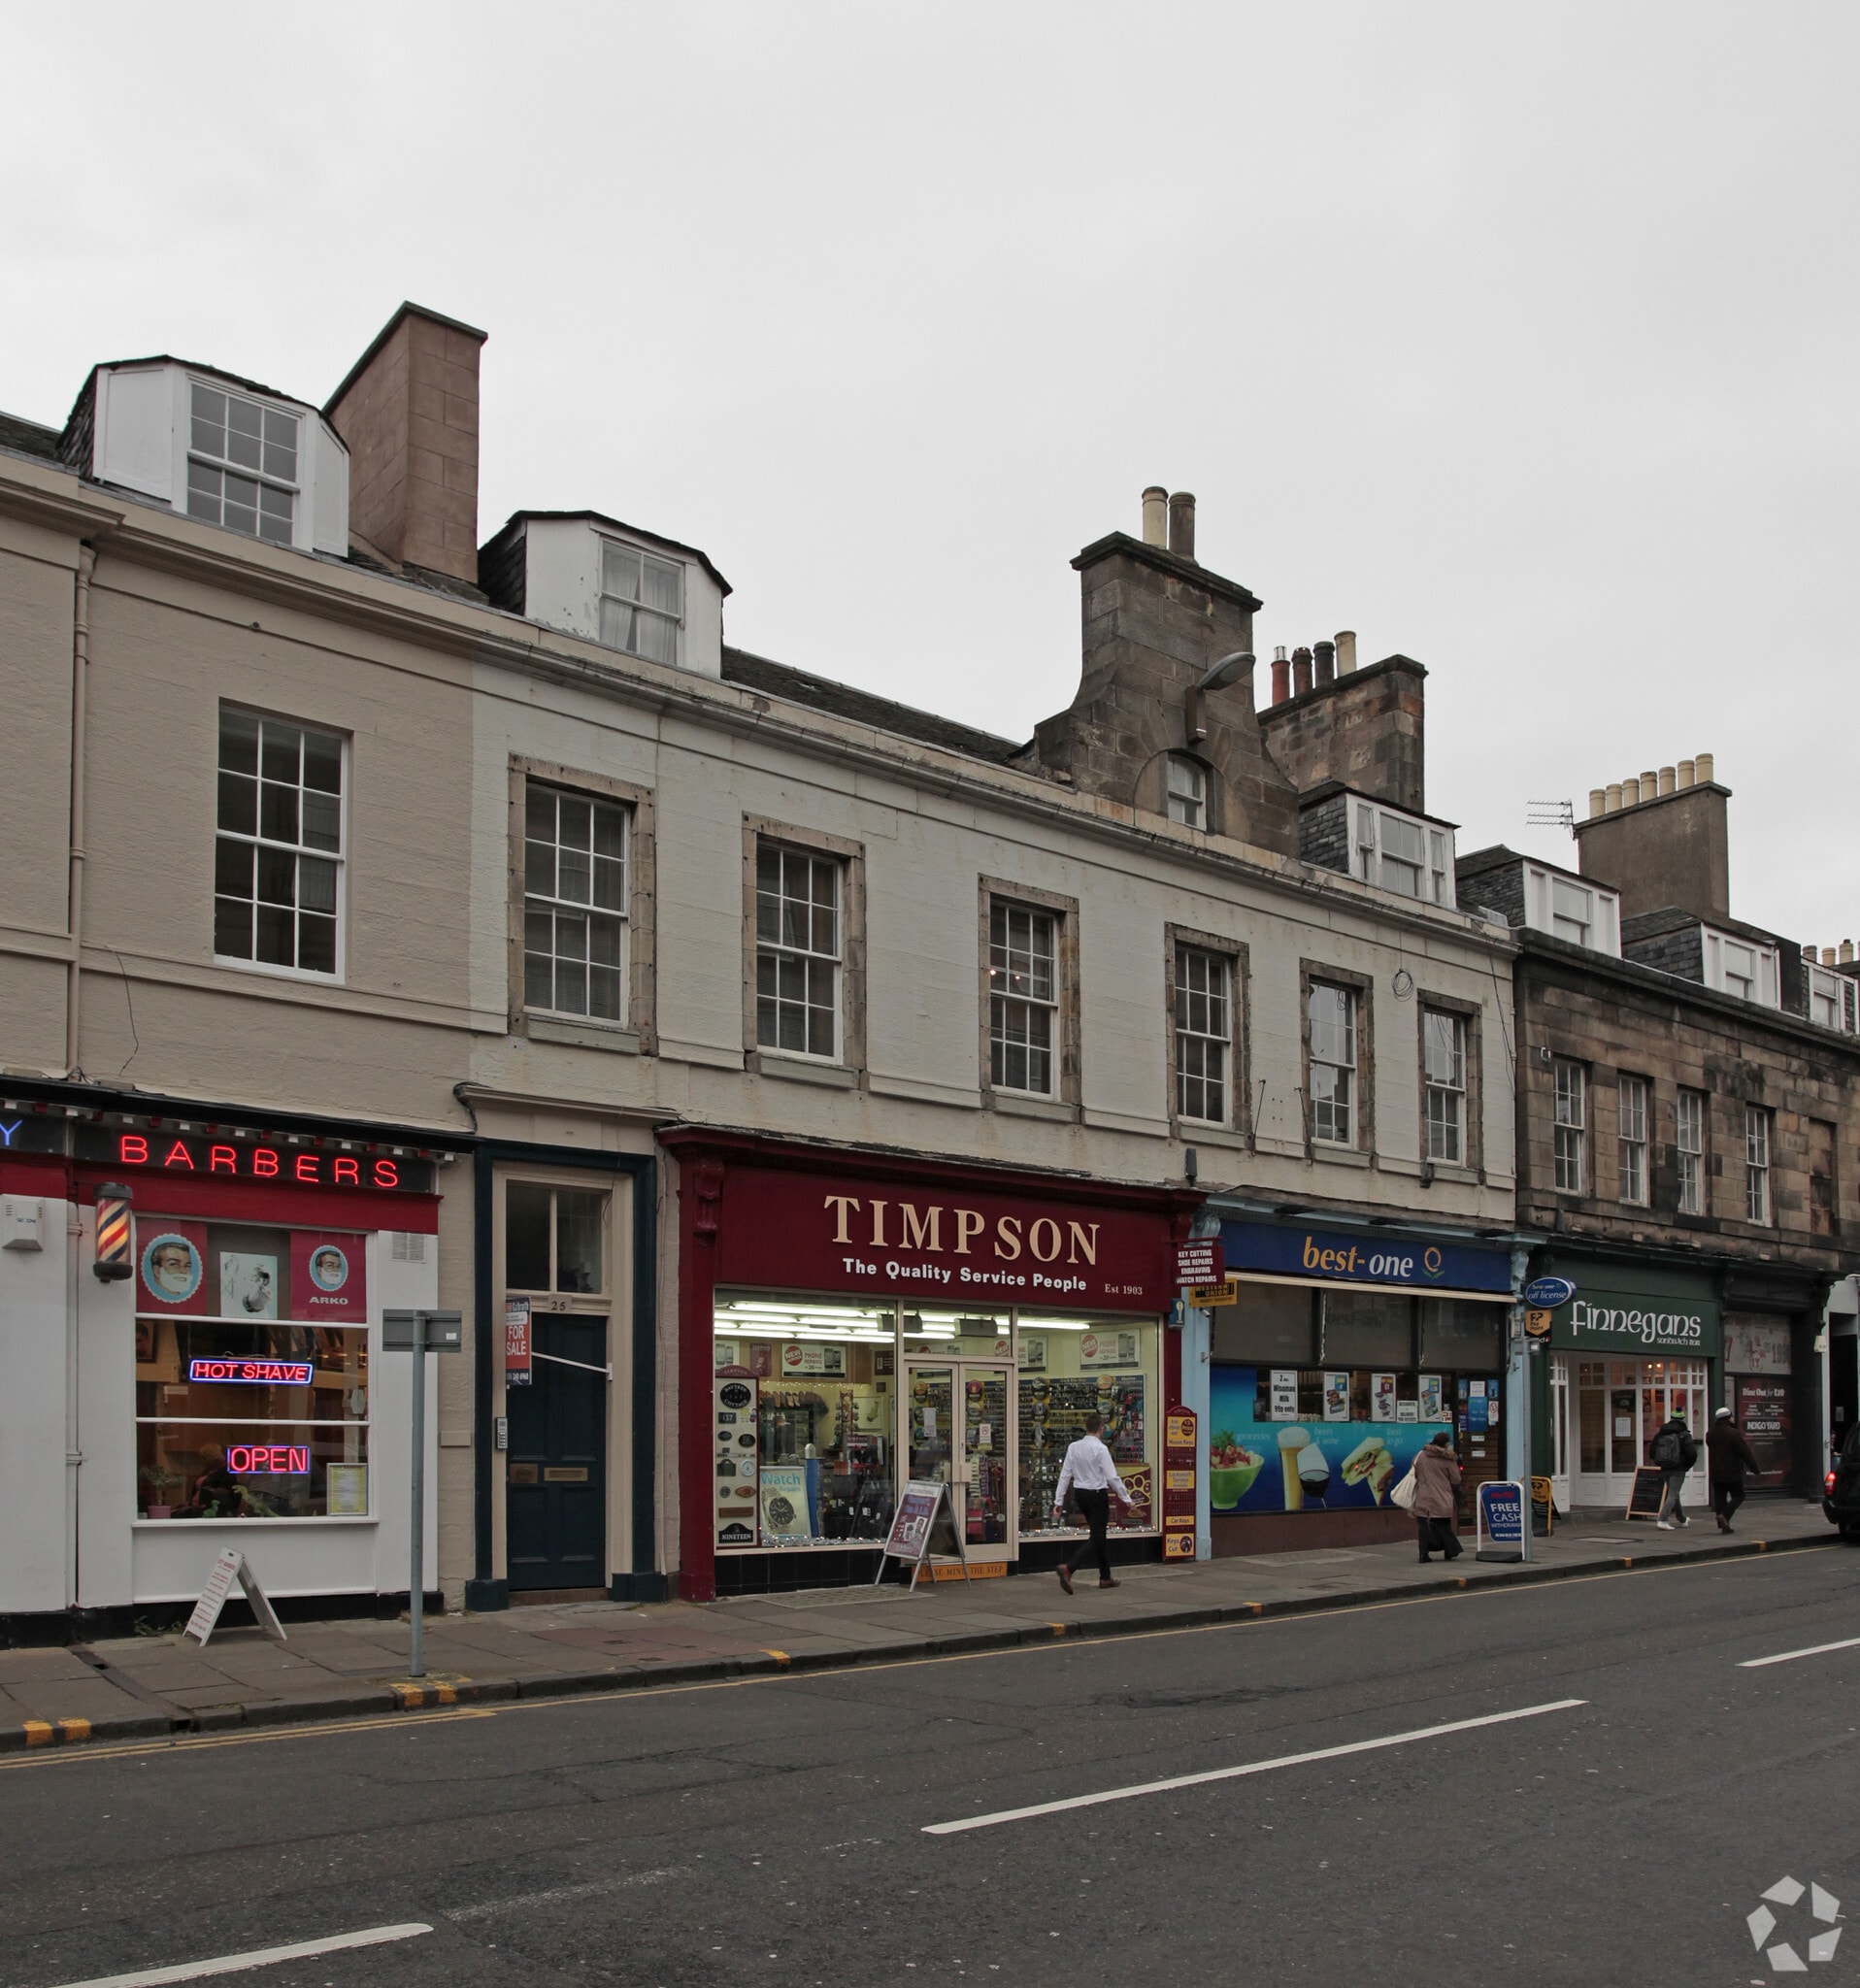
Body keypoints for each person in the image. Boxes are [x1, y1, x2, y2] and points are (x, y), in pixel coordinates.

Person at [1052, 1410, 1130, 1595]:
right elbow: (1112, 1477)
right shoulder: (1101, 1449)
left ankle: (1105, 1577)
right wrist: (1126, 1498)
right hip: (1097, 1495)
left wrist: (1058, 1501)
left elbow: (1065, 1475)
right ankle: (1069, 1568)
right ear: (1102, 1429)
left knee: (1099, 1536)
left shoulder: (1074, 1447)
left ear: (1087, 1427)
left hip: (1080, 1494)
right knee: (1097, 1537)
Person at [1706, 1406, 1763, 1532]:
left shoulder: (1710, 1434)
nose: (1733, 1419)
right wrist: (1755, 1468)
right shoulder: (1734, 1433)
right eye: (1731, 1416)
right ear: (1728, 1418)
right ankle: (1724, 1516)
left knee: (1720, 1497)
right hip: (1732, 1472)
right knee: (1739, 1496)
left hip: (1716, 1471)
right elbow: (1745, 1453)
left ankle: (1724, 1526)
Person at [1412, 1431, 1463, 1563]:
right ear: (1446, 1444)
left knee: (1424, 1527)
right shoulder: (1448, 1459)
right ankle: (1450, 1551)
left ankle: (1424, 1554)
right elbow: (1456, 1479)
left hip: (1423, 1496)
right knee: (1444, 1525)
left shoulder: (1420, 1455)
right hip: (1442, 1497)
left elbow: (1414, 1472)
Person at [1650, 1408, 1699, 1528]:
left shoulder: (1661, 1434)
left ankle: (1681, 1518)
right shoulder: (1684, 1435)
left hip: (1665, 1467)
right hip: (1678, 1469)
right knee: (1673, 1493)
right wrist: (1685, 1466)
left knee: (1674, 1492)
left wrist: (1660, 1463)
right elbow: (1692, 1454)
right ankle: (1662, 1519)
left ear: (1671, 1418)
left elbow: (1652, 1452)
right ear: (1683, 1419)